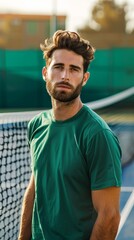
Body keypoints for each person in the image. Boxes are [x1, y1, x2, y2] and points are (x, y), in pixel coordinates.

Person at [18, 30, 122, 240]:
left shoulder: (97, 135)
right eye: (58, 67)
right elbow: (35, 186)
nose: (65, 75)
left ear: (84, 78)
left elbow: (109, 216)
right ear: (45, 73)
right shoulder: (37, 125)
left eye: (74, 69)